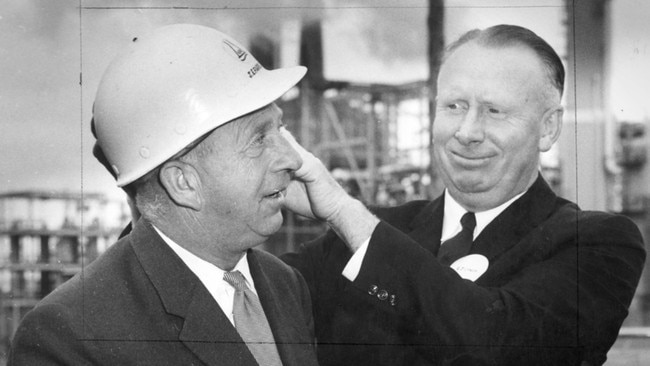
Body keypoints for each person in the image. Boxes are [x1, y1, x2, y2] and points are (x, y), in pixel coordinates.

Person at [281, 24, 646, 365]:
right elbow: (245, 300)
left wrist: (343, 211)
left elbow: (498, 342)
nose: (468, 132)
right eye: (454, 106)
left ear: (548, 128)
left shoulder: (597, 242)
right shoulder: (357, 239)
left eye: (494, 111)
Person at [8, 24, 319, 366]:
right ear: (183, 183)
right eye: (259, 139)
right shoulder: (70, 336)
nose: (293, 159)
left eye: (280, 129)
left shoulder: (284, 285)